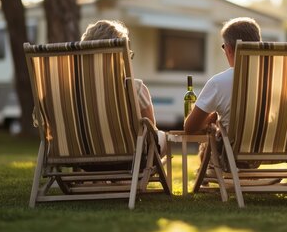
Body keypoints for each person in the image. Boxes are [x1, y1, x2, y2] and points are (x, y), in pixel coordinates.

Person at [184, 17, 262, 170]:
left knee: (212, 141)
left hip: (231, 153)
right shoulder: (277, 78)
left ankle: (207, 175)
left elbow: (190, 127)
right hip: (270, 149)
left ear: (229, 49)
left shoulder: (218, 83)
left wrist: (212, 116)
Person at [81, 20, 167, 156]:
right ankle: (131, 177)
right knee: (163, 139)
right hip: (128, 160)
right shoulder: (135, 89)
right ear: (120, 55)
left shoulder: (65, 91)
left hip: (82, 156)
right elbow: (151, 134)